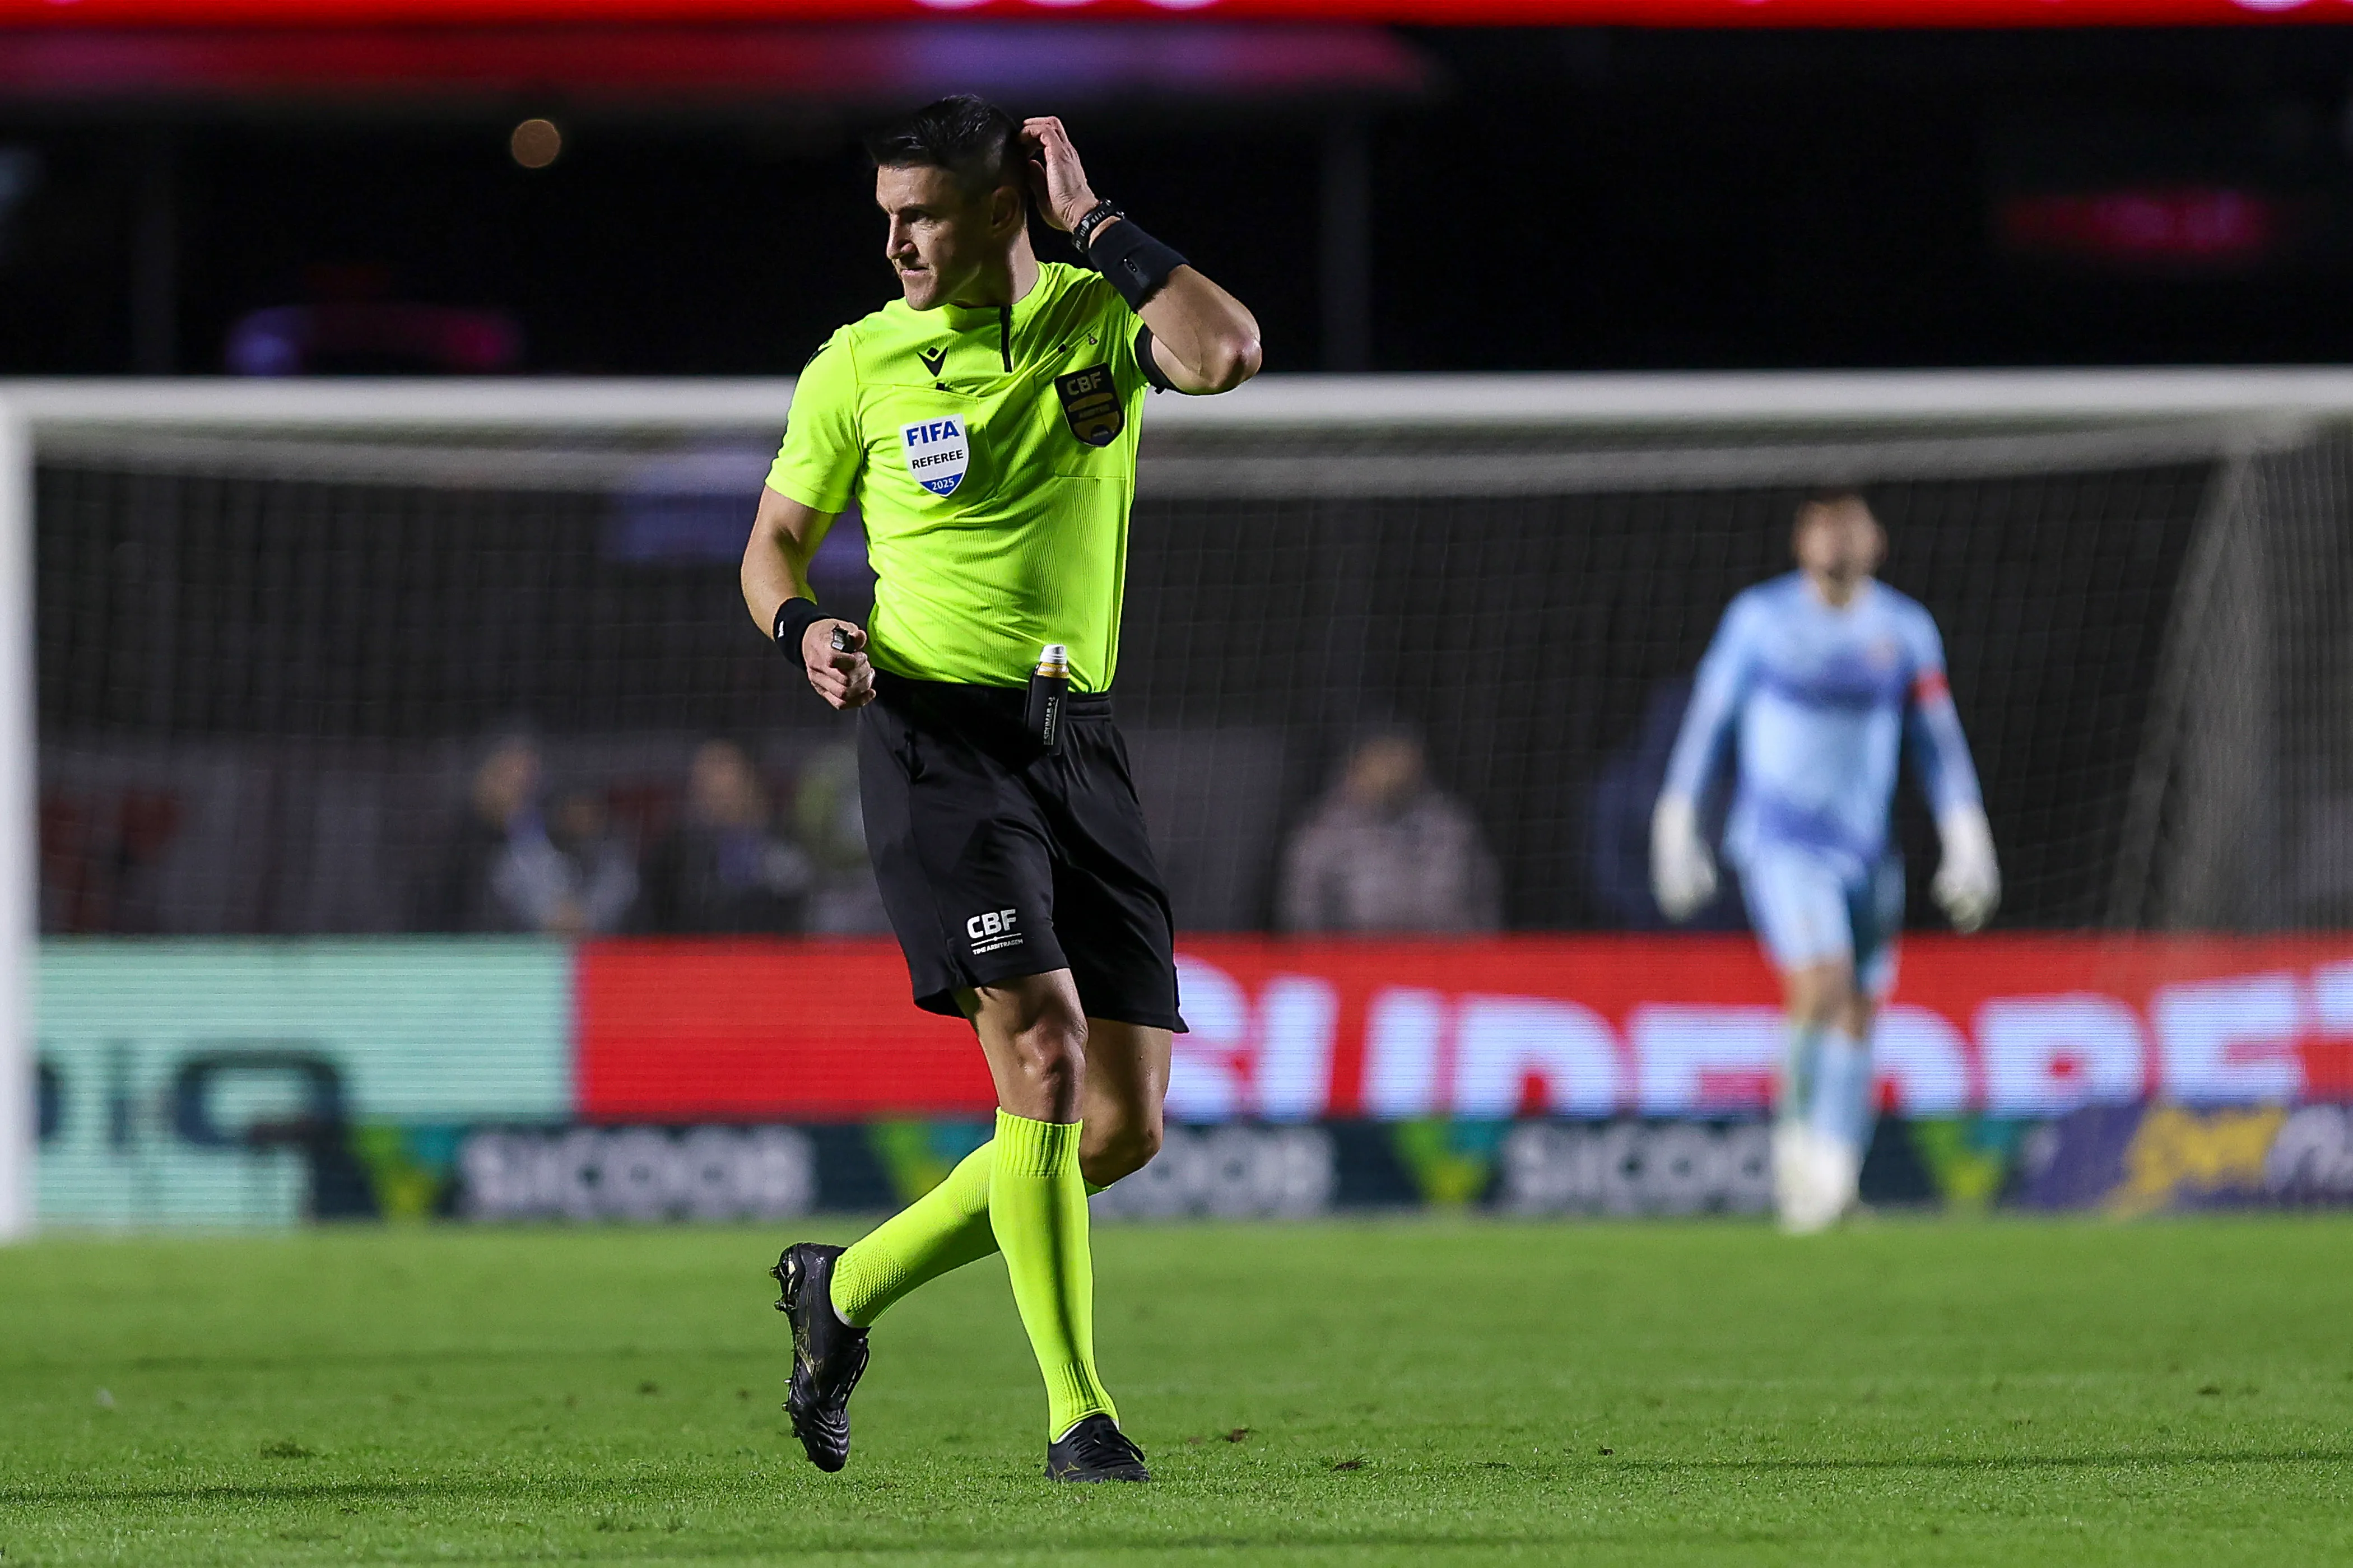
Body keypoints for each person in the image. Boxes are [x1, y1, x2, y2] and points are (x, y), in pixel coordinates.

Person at [739, 96, 1261, 1482]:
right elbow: (773, 547)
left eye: (920, 215)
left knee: (1122, 1122)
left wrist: (1096, 219)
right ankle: (1077, 1415)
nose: (896, 241)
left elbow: (1227, 351)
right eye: (886, 218)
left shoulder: (1099, 319)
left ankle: (841, 1288)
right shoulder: (859, 365)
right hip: (933, 741)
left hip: (1076, 742)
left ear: (998, 212)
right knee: (1042, 1054)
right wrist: (805, 631)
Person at [1650, 490, 1999, 1234]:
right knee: (1822, 979)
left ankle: (1835, 1174)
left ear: (1876, 539)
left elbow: (1937, 740)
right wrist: (1677, 817)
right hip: (1781, 841)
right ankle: (1795, 1154)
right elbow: (1710, 719)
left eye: (1851, 525)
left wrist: (1966, 832)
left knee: (1861, 1007)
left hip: (1869, 850)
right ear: (1801, 540)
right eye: (1823, 526)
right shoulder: (1761, 619)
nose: (1837, 539)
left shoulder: (1904, 628)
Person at [1277, 728, 1501, 933]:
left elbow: (1484, 900)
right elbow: (1303, 914)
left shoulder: (1450, 825)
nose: (1394, 768)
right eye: (1383, 757)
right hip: (1359, 962)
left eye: (1401, 756)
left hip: (1444, 960)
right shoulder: (1324, 831)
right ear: (1357, 765)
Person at [640, 739, 811, 934]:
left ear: (751, 776)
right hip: (695, 959)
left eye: (720, 768)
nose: (708, 784)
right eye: (701, 774)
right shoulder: (674, 853)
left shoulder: (791, 842)